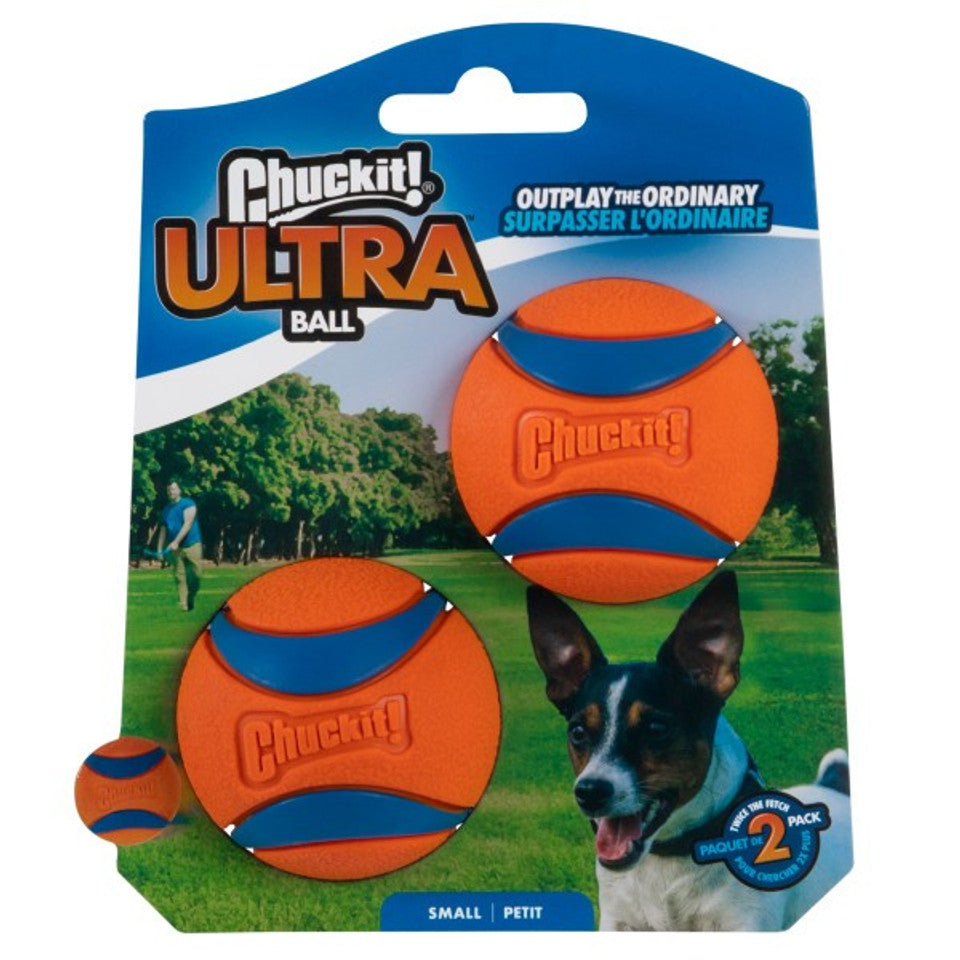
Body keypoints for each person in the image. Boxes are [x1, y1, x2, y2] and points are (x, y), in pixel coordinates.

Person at [158, 480, 202, 611]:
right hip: (176, 549)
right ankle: (184, 604)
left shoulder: (189, 504)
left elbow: (187, 524)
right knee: (179, 576)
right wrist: (159, 549)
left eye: (173, 489)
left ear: (179, 490)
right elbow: (163, 530)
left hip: (192, 545)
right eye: (169, 490)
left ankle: (191, 596)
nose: (170, 492)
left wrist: (176, 541)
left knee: (196, 575)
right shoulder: (166, 510)